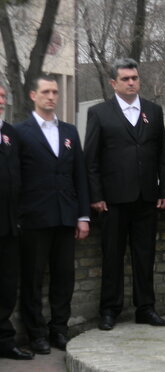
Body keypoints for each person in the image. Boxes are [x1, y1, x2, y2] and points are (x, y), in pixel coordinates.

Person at [84, 58, 165, 331]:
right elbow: (92, 159)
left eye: (134, 77)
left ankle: (146, 308)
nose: (131, 82)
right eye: (125, 79)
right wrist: (96, 195)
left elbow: (162, 155)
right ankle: (109, 310)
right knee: (112, 256)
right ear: (114, 83)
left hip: (146, 198)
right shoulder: (100, 113)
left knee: (145, 256)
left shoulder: (153, 111)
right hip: (113, 200)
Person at [16, 76, 90, 353]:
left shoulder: (70, 132)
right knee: (33, 278)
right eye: (46, 92)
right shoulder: (20, 132)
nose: (51, 96)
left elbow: (79, 176)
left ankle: (59, 329)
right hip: (34, 218)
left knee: (64, 276)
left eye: (55, 92)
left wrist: (83, 216)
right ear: (34, 95)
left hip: (65, 217)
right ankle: (36, 334)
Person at [0, 85, 33, 361]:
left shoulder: (10, 134)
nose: (0, 99)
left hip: (9, 226)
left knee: (7, 286)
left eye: (2, 95)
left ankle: (4, 340)